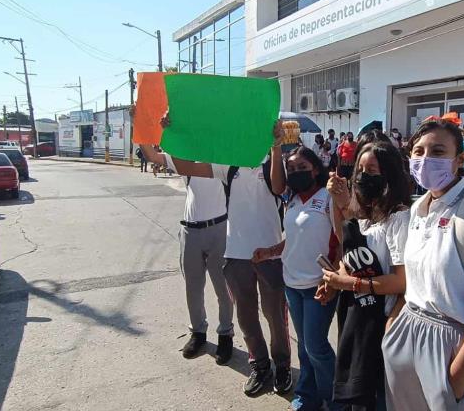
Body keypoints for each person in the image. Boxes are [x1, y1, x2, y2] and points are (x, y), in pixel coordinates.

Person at [153, 119, 292, 396]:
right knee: (246, 318)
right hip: (236, 254)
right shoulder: (227, 167)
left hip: (271, 255)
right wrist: (170, 133)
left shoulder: (270, 161)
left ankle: (283, 366)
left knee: (275, 316)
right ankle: (260, 365)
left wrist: (277, 148)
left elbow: (278, 188)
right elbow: (185, 166)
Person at [383, 119, 464, 410]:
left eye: (438, 151)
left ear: (460, 159)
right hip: (407, 330)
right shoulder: (418, 207)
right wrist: (395, 326)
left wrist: (460, 371)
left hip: (453, 341)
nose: (425, 159)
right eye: (418, 151)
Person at [322, 141, 411, 411]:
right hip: (358, 316)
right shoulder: (366, 214)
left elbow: (400, 281)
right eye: (359, 168)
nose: (362, 175)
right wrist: (339, 203)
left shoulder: (399, 219)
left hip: (384, 324)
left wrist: (347, 283)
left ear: (388, 174)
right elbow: (347, 245)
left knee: (380, 397)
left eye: (371, 169)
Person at [254, 147, 340, 411]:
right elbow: (293, 238)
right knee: (304, 347)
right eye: (291, 169)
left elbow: (341, 241)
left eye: (302, 167)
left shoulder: (329, 197)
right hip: (292, 284)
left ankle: (335, 399)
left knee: (316, 347)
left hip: (319, 285)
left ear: (315, 168)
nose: (295, 173)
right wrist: (270, 251)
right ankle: (306, 396)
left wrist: (334, 278)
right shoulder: (291, 198)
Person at [139, 141, 235, 364]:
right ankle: (198, 332)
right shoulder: (186, 161)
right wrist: (140, 126)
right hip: (190, 231)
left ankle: (225, 334)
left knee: (224, 288)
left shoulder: (226, 157)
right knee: (193, 287)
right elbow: (153, 156)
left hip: (219, 229)